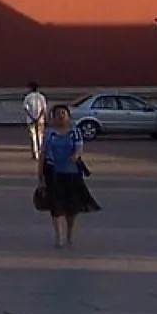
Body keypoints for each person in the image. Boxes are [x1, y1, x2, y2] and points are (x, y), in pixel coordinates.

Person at [40, 104, 99, 248]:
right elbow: (43, 154)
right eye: (58, 114)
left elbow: (79, 148)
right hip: (53, 173)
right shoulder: (49, 133)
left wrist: (76, 155)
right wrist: (40, 176)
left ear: (68, 116)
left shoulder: (75, 132)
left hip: (72, 174)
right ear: (52, 117)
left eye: (63, 113)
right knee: (56, 206)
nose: (61, 116)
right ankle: (59, 236)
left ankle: (70, 235)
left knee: (72, 208)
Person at [23, 82, 48, 163]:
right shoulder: (41, 97)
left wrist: (32, 117)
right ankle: (40, 152)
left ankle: (35, 153)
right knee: (40, 136)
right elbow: (44, 109)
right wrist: (39, 117)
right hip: (40, 120)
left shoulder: (28, 97)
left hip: (31, 120)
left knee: (33, 137)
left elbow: (25, 108)